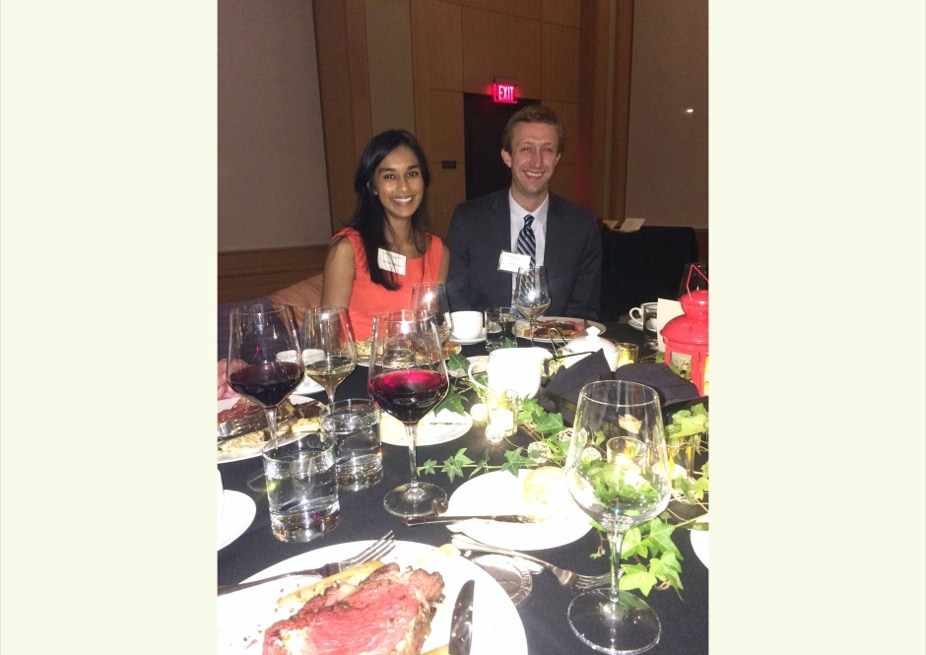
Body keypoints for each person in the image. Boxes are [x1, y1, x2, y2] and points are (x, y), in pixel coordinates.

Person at [444, 104, 602, 319]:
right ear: (507, 157)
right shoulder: (469, 221)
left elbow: (584, 310)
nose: (537, 162)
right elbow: (457, 304)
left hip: (556, 339)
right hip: (488, 339)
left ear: (557, 158)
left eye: (547, 150)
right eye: (526, 149)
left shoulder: (581, 226)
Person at [321, 129, 450, 340]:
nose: (404, 187)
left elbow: (431, 330)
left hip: (417, 361)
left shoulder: (439, 252)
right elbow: (327, 337)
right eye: (390, 176)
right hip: (360, 361)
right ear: (372, 185)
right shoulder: (348, 250)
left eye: (412, 174)